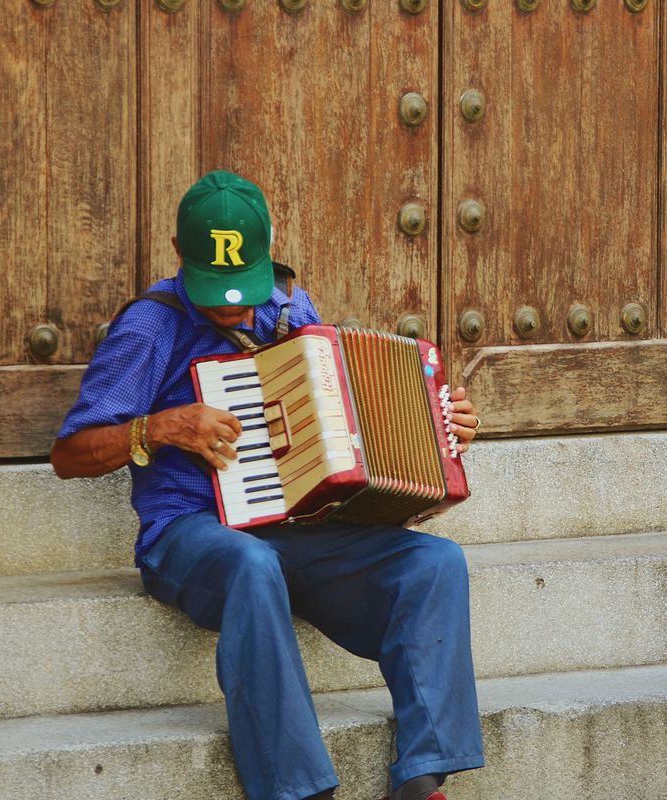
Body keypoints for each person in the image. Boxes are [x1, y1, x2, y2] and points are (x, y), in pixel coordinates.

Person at [50, 170, 485, 800]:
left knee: (435, 564)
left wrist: (437, 428)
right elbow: (69, 455)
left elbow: (344, 422)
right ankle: (299, 791)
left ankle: (423, 779)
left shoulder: (289, 307)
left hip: (296, 531)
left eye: (244, 288)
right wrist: (159, 426)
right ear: (180, 251)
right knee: (252, 566)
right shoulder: (151, 326)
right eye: (217, 292)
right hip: (189, 535)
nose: (235, 306)